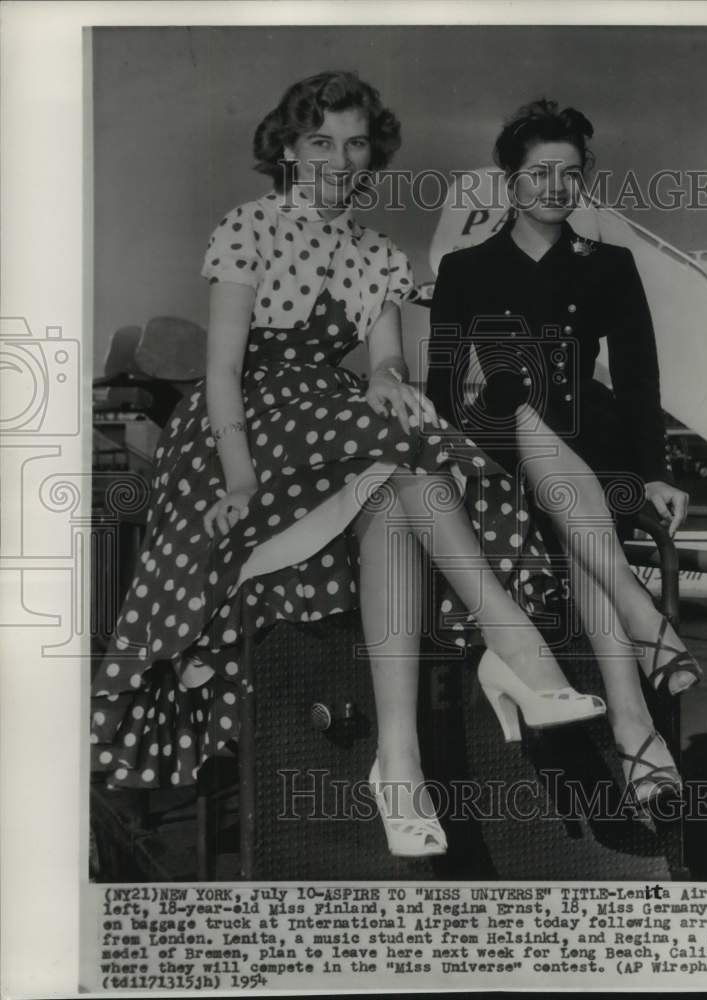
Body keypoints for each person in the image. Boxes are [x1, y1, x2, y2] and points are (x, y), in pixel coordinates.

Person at [90, 72, 608, 862]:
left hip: (338, 428)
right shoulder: (249, 227)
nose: (338, 160)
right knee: (398, 452)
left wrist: (385, 377)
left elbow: (390, 363)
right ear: (289, 150)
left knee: (399, 478)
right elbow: (224, 374)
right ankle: (516, 647)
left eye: (355, 142)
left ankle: (397, 766)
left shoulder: (378, 253)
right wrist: (235, 478)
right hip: (242, 427)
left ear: (373, 152)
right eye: (320, 142)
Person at [426, 97, 703, 806]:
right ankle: (641, 641)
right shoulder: (464, 269)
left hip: (589, 439)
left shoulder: (607, 264)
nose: (555, 187)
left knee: (579, 525)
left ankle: (634, 724)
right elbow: (440, 386)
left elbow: (639, 377)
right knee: (513, 391)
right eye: (539, 172)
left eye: (570, 173)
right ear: (509, 178)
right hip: (496, 438)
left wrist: (654, 473)